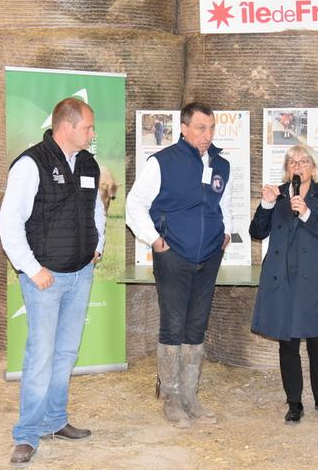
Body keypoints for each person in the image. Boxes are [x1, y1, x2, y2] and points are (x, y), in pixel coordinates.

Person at [0, 98, 106, 464]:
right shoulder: (31, 164)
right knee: (40, 356)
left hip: (81, 274)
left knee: (65, 353)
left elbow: (97, 209)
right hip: (46, 278)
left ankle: (55, 420)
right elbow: (8, 223)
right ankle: (27, 435)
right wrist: (32, 269)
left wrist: (98, 246)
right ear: (67, 127)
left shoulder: (88, 163)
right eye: (88, 128)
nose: (92, 135)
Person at [127, 102, 232, 428]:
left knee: (196, 325)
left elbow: (222, 202)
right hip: (174, 255)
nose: (207, 134)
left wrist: (226, 233)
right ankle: (172, 397)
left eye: (211, 128)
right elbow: (134, 203)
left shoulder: (221, 164)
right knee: (173, 325)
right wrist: (154, 240)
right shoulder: (162, 162)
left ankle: (190, 396)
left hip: (209, 256)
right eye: (201, 128)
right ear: (184, 128)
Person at [248, 144, 318, 424]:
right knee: (288, 345)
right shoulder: (276, 195)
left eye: (303, 162)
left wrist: (307, 214)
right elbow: (257, 232)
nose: (297, 166)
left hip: (313, 281)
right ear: (286, 168)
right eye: (292, 162)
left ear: (313, 168)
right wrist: (266, 205)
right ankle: (294, 403)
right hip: (283, 279)